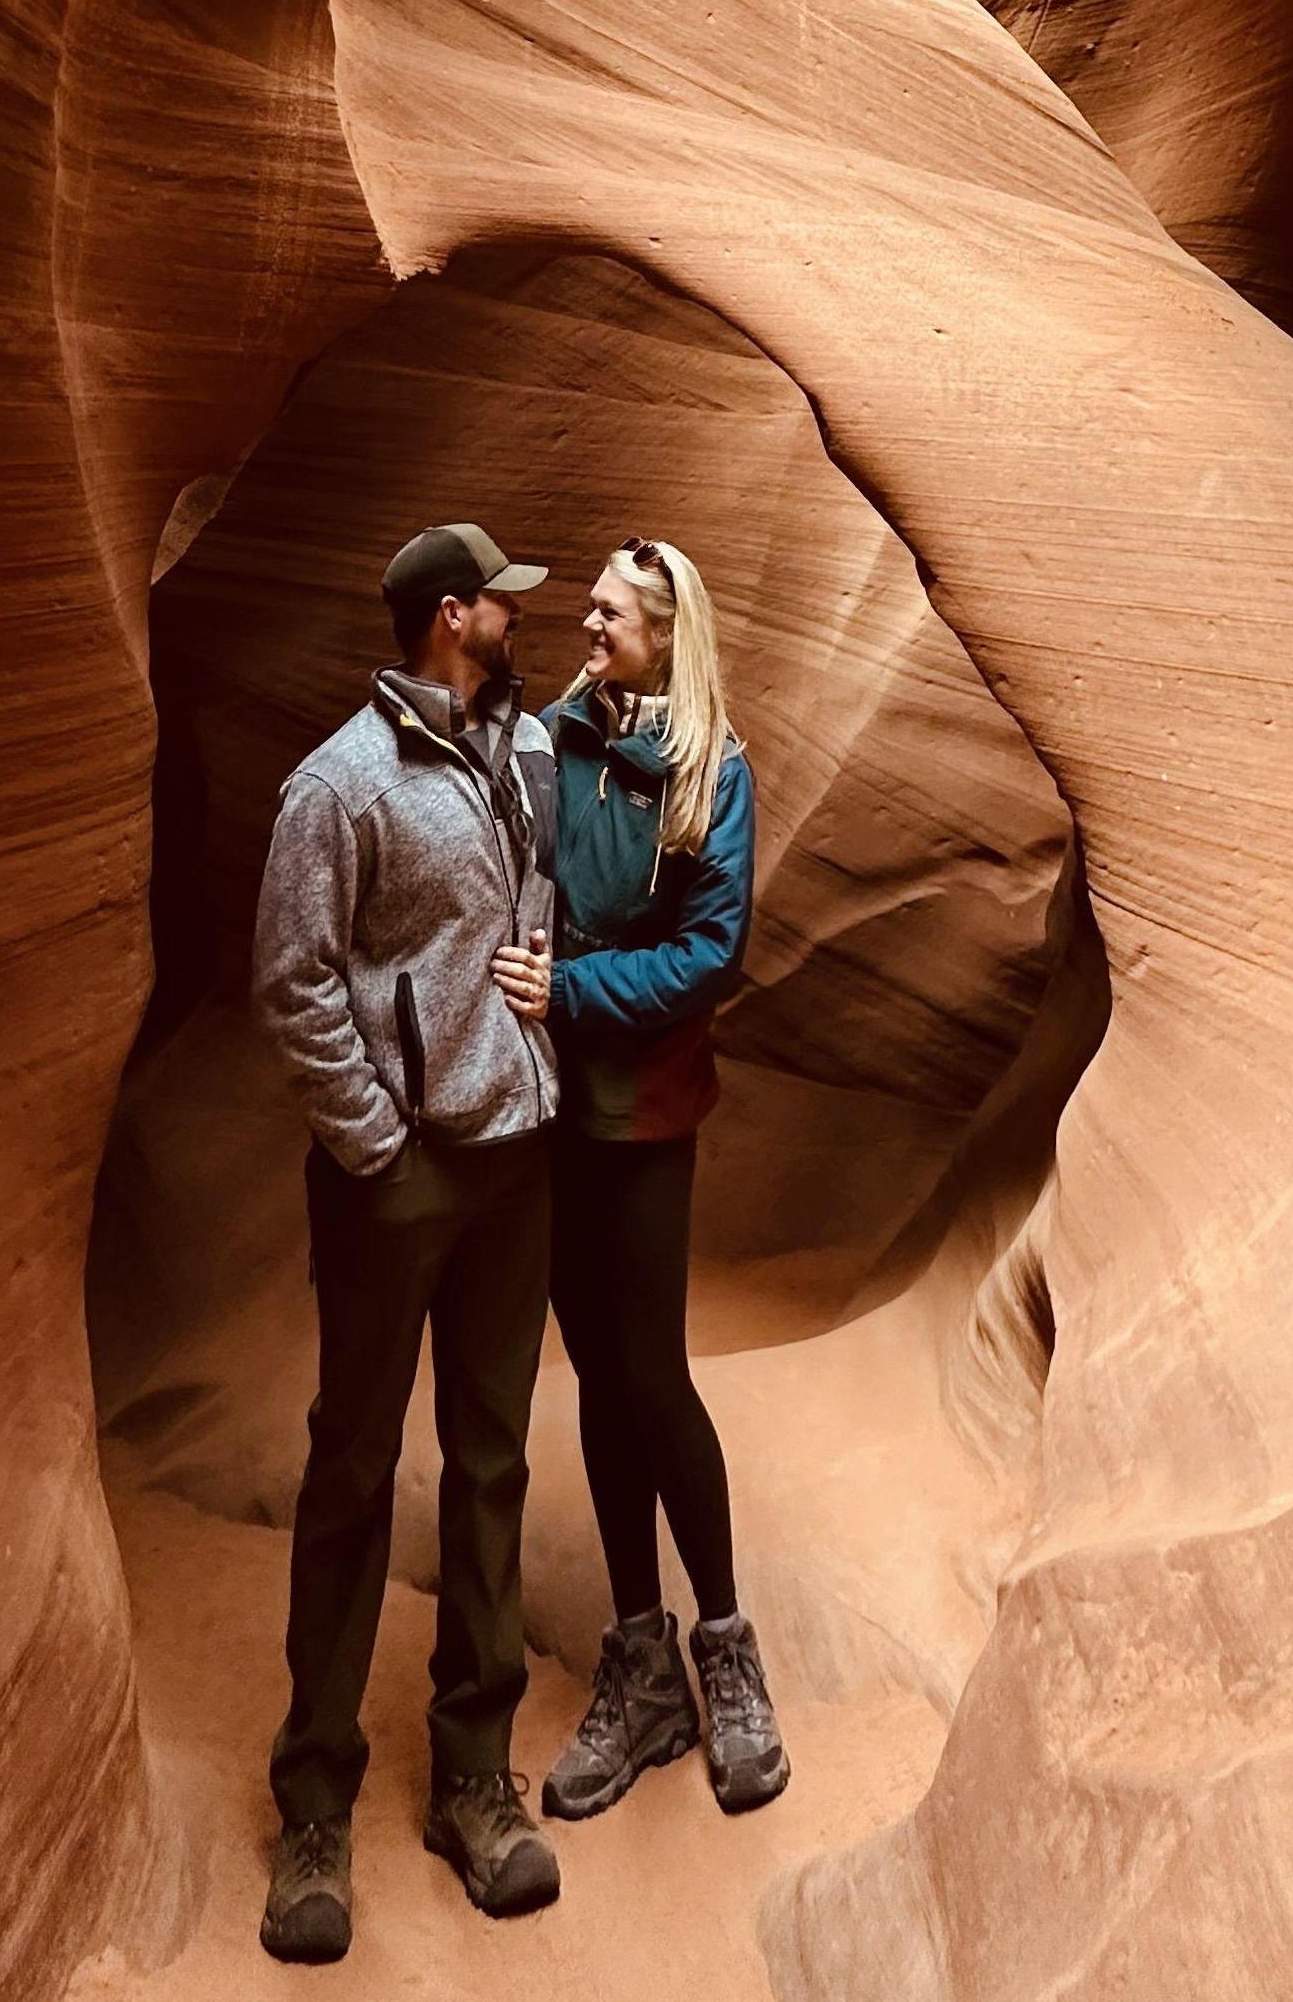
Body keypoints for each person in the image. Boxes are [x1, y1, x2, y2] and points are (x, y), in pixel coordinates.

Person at [248, 522, 570, 1962]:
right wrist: (380, 1143)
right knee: (354, 1471)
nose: (515, 618)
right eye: (499, 604)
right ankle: (315, 1801)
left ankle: (473, 1780)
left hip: (516, 1166)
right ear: (451, 616)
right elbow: (292, 979)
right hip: (402, 1177)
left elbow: (539, 900)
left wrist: (547, 991)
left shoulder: (524, 753)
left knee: (492, 1465)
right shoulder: (339, 786)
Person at [497, 534, 790, 1823]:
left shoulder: (712, 771)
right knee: (600, 1382)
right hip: (551, 1108)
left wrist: (565, 991)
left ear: (667, 635)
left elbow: (708, 953)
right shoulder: (552, 742)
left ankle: (724, 1647)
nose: (588, 626)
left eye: (610, 614)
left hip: (642, 1113)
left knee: (652, 1375)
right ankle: (641, 1664)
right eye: (590, 609)